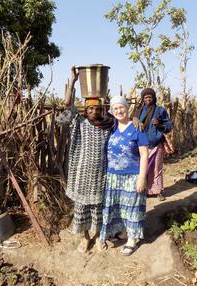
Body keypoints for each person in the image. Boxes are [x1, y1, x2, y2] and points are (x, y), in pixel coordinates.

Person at [62, 66, 114, 253]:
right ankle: (85, 238)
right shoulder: (79, 121)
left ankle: (99, 236)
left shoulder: (108, 123)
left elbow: (124, 120)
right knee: (82, 208)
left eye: (96, 108)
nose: (93, 111)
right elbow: (67, 105)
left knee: (99, 208)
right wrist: (73, 81)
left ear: (101, 109)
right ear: (85, 109)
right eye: (89, 108)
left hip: (101, 174)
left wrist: (133, 117)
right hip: (81, 174)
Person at [99, 95, 149, 256]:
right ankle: (123, 232)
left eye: (121, 107)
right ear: (112, 112)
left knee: (132, 208)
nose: (119, 110)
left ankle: (132, 240)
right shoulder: (112, 126)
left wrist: (142, 177)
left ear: (127, 108)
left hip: (132, 176)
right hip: (113, 177)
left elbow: (144, 154)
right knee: (118, 207)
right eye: (115, 108)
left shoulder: (137, 128)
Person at [133, 88, 173, 199]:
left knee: (156, 168)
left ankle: (159, 191)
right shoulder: (138, 111)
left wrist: (159, 124)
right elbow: (131, 125)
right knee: (144, 168)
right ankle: (145, 190)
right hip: (142, 145)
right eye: (145, 97)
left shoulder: (160, 110)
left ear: (154, 98)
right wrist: (134, 120)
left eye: (150, 97)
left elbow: (169, 126)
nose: (148, 99)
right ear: (143, 99)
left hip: (157, 144)